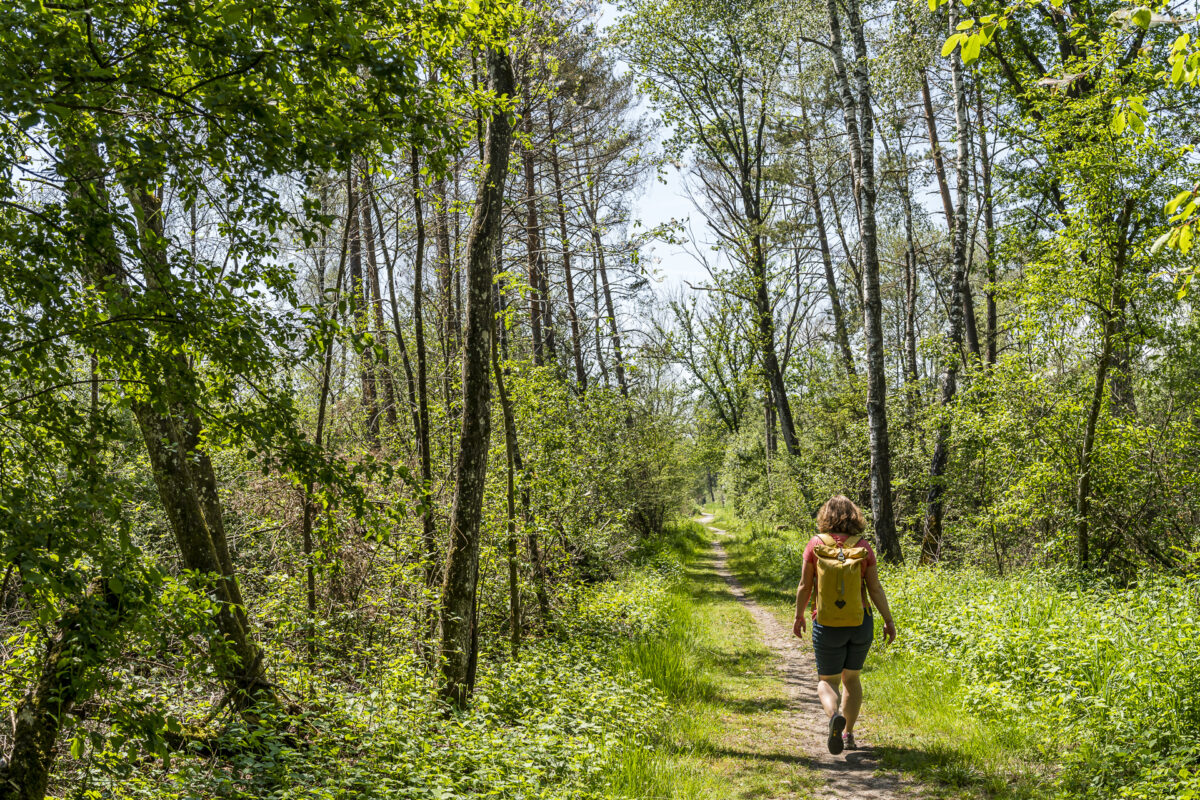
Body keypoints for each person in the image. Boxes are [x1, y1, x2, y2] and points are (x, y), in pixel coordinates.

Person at [792, 495, 897, 755]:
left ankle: (833, 718)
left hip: (826, 624)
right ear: (854, 516)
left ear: (825, 516)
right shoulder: (863, 547)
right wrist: (888, 620)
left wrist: (799, 616)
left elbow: (805, 586)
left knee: (827, 681)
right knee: (852, 679)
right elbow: (874, 587)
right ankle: (848, 734)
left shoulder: (815, 545)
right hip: (860, 622)